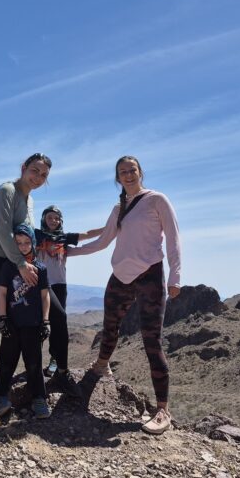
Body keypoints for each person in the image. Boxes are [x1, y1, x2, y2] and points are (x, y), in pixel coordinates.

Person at [67, 155, 182, 435]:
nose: (128, 175)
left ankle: (162, 410)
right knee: (110, 326)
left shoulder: (157, 200)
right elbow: (103, 241)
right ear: (117, 178)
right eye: (122, 172)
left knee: (151, 340)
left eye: (132, 170)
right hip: (120, 275)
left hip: (150, 275)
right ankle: (102, 366)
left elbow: (174, 237)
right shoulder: (119, 207)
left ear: (140, 172)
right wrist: (67, 252)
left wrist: (175, 277)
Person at [0, 153, 51, 409]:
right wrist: (21, 264)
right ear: (23, 168)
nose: (38, 177)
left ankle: (10, 386)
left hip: (16, 264)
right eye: (35, 171)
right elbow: (5, 232)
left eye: (44, 175)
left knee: (20, 322)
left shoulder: (30, 200)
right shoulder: (7, 191)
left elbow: (24, 234)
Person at [35, 205, 102, 380]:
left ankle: (55, 362)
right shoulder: (36, 235)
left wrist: (108, 228)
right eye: (49, 217)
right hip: (39, 285)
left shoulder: (64, 238)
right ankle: (34, 364)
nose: (53, 221)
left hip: (59, 287)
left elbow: (87, 234)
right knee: (38, 324)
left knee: (58, 326)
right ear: (43, 219)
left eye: (56, 218)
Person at [0, 224, 51, 419]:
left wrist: (45, 321)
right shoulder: (8, 267)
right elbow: (1, 294)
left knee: (34, 363)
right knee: (6, 362)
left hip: (33, 324)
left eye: (26, 242)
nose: (23, 246)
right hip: (12, 323)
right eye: (18, 243)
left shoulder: (40, 269)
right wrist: (2, 318)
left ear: (33, 243)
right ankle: (0, 397)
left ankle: (39, 399)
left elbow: (45, 296)